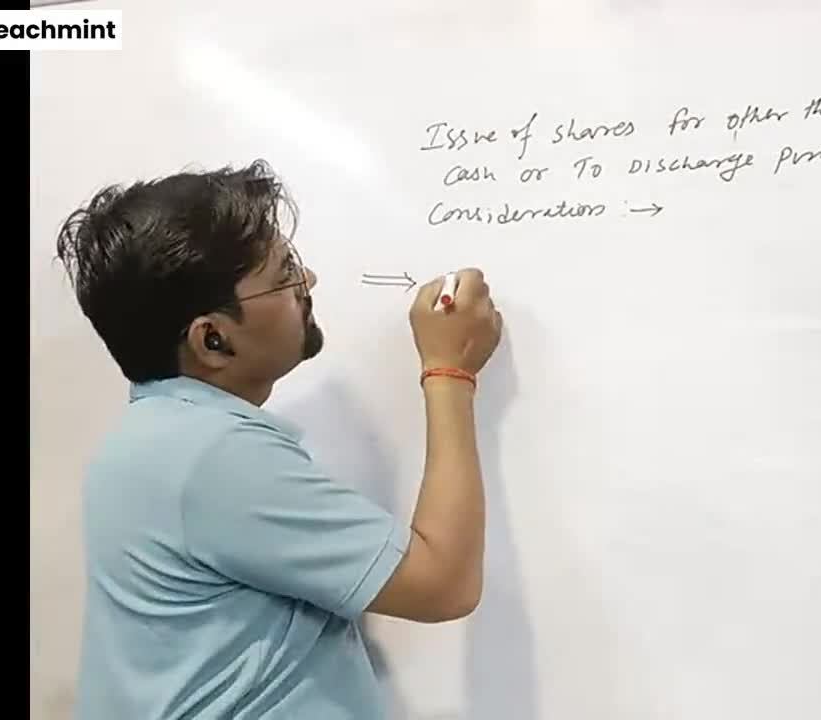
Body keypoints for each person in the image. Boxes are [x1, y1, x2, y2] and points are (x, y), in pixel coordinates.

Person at [53, 159, 503, 719]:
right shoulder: (214, 455)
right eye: (285, 274)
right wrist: (449, 370)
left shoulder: (147, 437)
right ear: (212, 340)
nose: (308, 281)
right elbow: (443, 584)